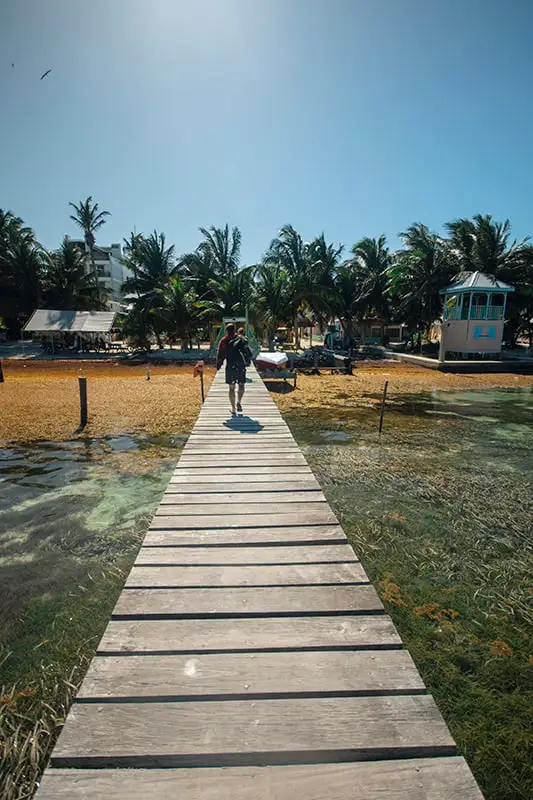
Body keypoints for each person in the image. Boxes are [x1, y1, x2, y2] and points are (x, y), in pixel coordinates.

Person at [216, 323, 251, 415]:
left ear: (226, 330)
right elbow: (247, 351)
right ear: (234, 329)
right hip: (241, 365)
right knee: (241, 384)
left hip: (231, 365)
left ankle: (233, 408)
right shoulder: (241, 339)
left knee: (231, 387)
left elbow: (220, 354)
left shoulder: (224, 340)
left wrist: (218, 365)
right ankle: (239, 402)